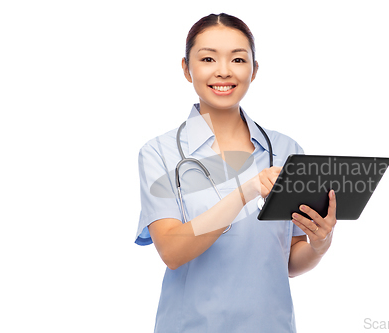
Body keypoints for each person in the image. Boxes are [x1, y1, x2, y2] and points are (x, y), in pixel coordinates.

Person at [135, 13, 337, 333]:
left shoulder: (287, 150)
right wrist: (246, 191)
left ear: (254, 70)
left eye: (238, 59)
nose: (224, 71)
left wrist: (319, 243)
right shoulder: (159, 153)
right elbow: (172, 251)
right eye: (208, 59)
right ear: (187, 69)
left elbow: (289, 262)